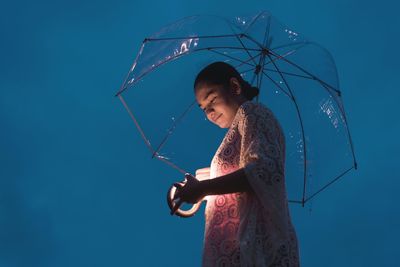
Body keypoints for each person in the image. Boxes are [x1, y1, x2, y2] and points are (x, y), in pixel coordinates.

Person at [172, 61, 300, 266]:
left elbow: (262, 170)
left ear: (234, 87)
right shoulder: (239, 129)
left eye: (212, 99)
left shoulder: (253, 113)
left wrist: (204, 188)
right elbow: (244, 172)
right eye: (203, 108)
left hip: (251, 252)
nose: (209, 111)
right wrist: (207, 180)